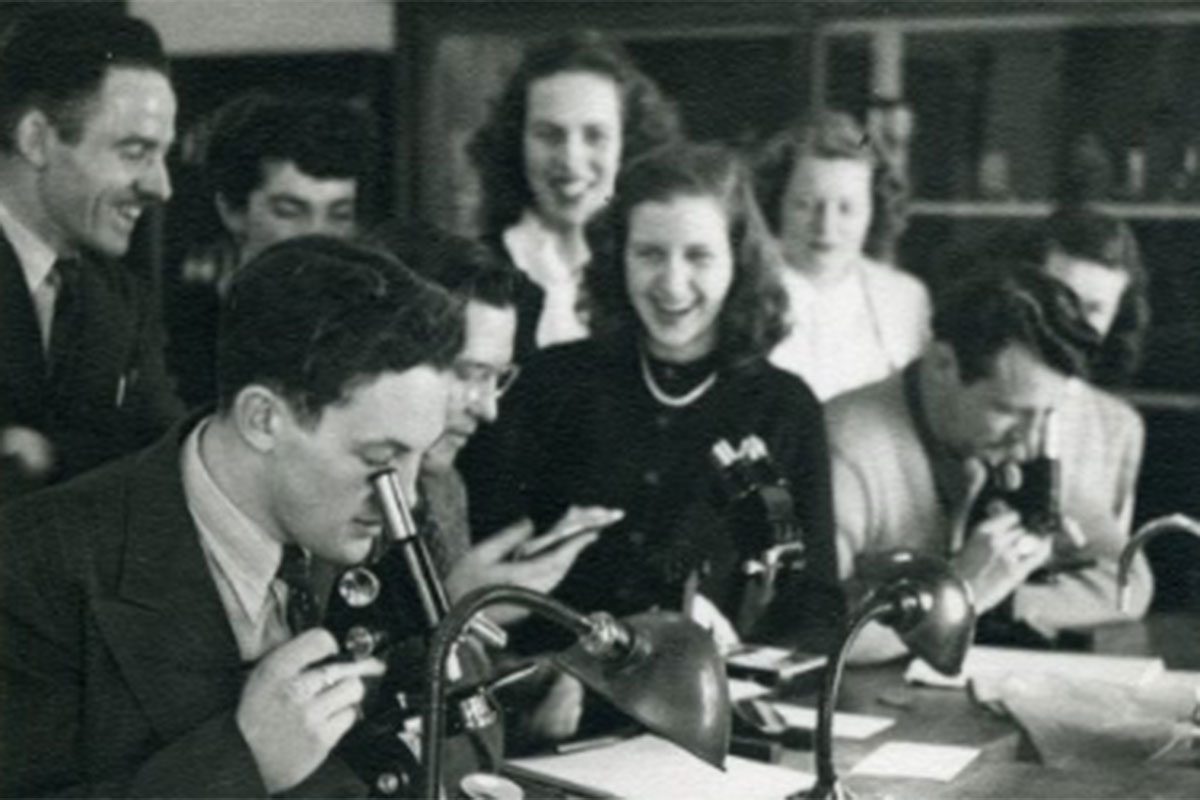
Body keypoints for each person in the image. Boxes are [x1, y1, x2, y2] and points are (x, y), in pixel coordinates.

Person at [0, 236, 465, 796]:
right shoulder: (32, 568)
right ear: (263, 419)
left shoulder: (383, 536)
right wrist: (244, 764)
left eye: (422, 453)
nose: (406, 499)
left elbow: (461, 749)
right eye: (379, 460)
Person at [473, 143, 843, 666]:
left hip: (707, 711)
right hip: (542, 703)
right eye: (649, 254)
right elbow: (484, 568)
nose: (672, 283)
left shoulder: (785, 408)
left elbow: (815, 608)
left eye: (698, 256)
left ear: (739, 261)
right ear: (616, 256)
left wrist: (743, 651)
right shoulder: (548, 384)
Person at [827, 267, 1154, 664]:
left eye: (1046, 413)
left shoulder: (1023, 434)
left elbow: (1129, 580)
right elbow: (819, 635)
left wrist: (1008, 593)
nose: (1030, 437)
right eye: (1007, 410)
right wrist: (967, 589)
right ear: (942, 364)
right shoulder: (844, 447)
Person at [368, 221, 623, 624]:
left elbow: (468, 677)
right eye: (468, 373)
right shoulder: (334, 493)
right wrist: (453, 613)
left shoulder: (445, 488)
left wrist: (565, 675)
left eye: (497, 378)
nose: (488, 410)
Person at [0, 9, 183, 504]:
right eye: (134, 151)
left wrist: (44, 453)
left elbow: (164, 463)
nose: (160, 187)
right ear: (37, 139)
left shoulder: (122, 301)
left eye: (162, 155)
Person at [468, 30, 680, 357]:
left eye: (595, 135)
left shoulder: (662, 277)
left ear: (629, 145)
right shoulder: (474, 274)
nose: (570, 159)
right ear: (515, 143)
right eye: (549, 135)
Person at [166, 92, 376, 409]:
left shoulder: (375, 338)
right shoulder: (173, 342)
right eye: (290, 211)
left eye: (339, 214)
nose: (317, 235)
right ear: (232, 211)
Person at [754, 110, 930, 401]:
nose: (826, 226)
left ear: (874, 211)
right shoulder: (741, 288)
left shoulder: (905, 298)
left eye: (847, 208)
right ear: (777, 201)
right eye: (806, 205)